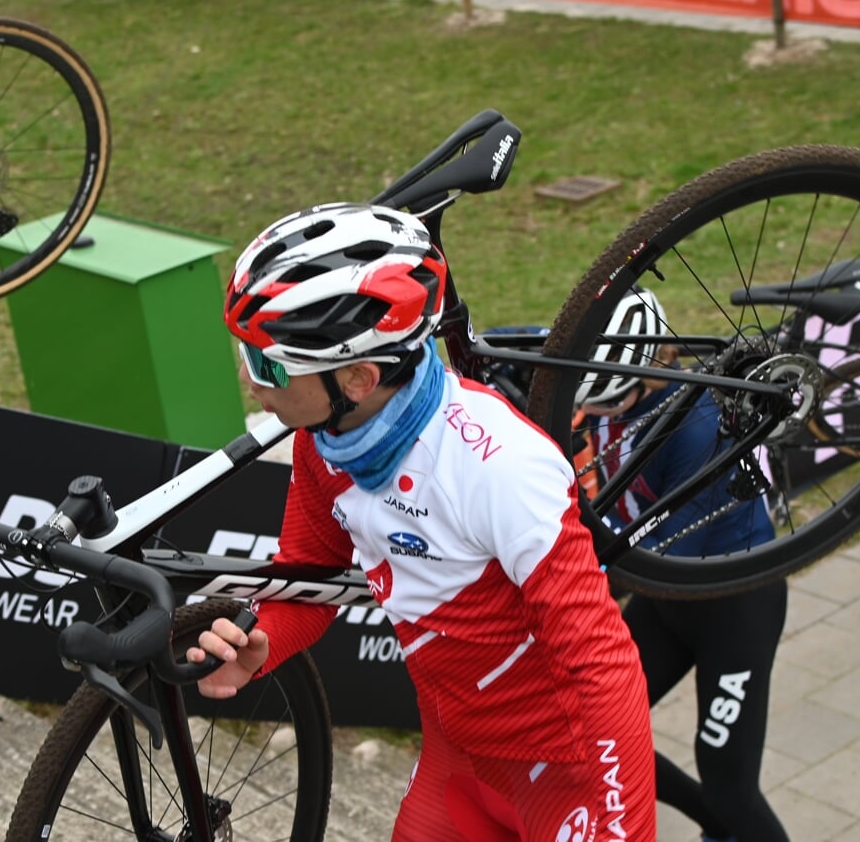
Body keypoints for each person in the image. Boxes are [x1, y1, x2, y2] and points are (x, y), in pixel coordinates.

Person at [188, 202, 657, 840]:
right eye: (244, 353)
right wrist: (263, 641)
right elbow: (308, 582)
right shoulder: (324, 437)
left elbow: (601, 664)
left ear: (358, 376)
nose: (250, 382)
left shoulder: (498, 467)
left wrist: (619, 819)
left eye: (269, 364)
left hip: (572, 774)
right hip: (457, 754)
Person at [574, 286, 789, 842]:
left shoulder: (699, 428)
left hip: (731, 604)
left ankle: (726, 824)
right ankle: (716, 829)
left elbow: (658, 558)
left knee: (729, 785)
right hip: (667, 604)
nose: (594, 412)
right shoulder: (607, 384)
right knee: (584, 731)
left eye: (610, 401)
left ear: (648, 372)